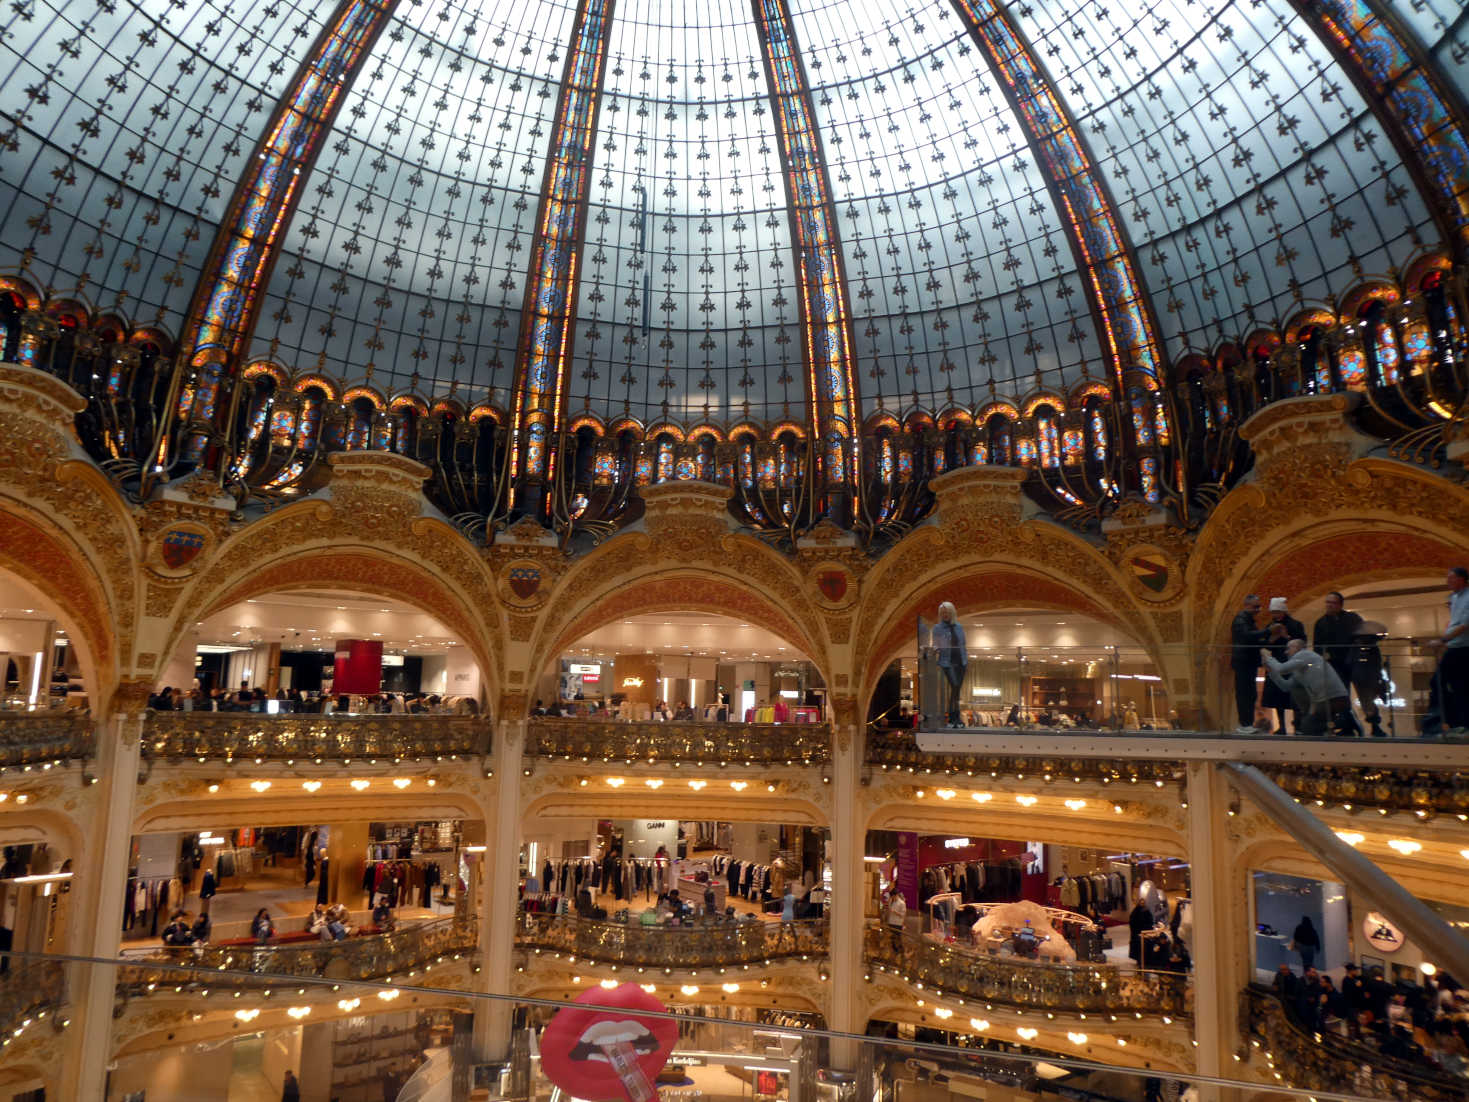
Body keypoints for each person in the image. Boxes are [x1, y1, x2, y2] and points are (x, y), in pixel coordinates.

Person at [1314, 592, 1383, 737]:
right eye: (1327, 602)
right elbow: (1317, 647)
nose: (1328, 605)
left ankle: (1375, 725)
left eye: (1332, 603)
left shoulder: (1353, 619)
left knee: (1365, 695)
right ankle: (1347, 726)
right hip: (1335, 665)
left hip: (1355, 662)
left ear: (1340, 604)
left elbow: (1364, 637)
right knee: (1342, 697)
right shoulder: (1321, 623)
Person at [1262, 638, 1350, 737]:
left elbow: (1281, 669)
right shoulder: (1300, 668)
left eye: (1288, 648)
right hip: (1328, 699)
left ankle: (1344, 722)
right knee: (1310, 725)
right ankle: (1341, 723)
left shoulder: (1304, 655)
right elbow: (1286, 686)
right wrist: (1271, 671)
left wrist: (1268, 658)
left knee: (1308, 725)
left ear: (1298, 648)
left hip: (1332, 698)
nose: (1286, 652)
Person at [1430, 567, 1469, 735]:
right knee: (1451, 684)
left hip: (1464, 648)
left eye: (1451, 579)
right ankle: (1456, 723)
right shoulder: (1454, 597)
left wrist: (1443, 640)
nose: (1448, 582)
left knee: (1458, 686)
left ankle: (1460, 723)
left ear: (1462, 579)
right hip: (1455, 646)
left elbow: (1465, 625)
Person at [1261, 598, 1307, 733]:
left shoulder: (1296, 625)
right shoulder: (1270, 626)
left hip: (1291, 661)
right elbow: (1264, 644)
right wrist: (1272, 639)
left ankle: (1298, 725)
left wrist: (1286, 636)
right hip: (1276, 661)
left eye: (1277, 612)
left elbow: (1302, 643)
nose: (1275, 615)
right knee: (1276, 697)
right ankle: (1282, 726)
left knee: (1295, 695)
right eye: (1273, 612)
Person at [1230, 595, 1268, 732]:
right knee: (1244, 693)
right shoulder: (1241, 620)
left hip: (1248, 662)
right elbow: (1247, 636)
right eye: (1255, 606)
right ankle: (1245, 723)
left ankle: (1248, 723)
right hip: (1243, 662)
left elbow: (1252, 639)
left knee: (1250, 694)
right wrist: (1268, 632)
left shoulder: (1248, 621)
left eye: (1259, 606)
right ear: (1246, 605)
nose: (1258, 609)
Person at [932, 601, 967, 728]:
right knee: (955, 686)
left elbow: (963, 643)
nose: (944, 615)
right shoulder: (937, 628)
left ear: (952, 612)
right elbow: (936, 644)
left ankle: (954, 718)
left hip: (961, 661)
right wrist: (934, 649)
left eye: (946, 612)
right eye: (942, 613)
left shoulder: (959, 627)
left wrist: (965, 659)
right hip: (947, 662)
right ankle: (954, 717)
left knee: (956, 691)